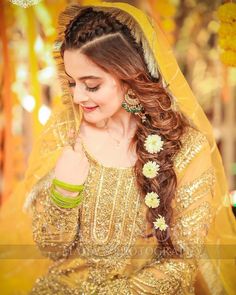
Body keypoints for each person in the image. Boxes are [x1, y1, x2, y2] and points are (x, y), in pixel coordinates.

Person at [0, 1, 235, 295]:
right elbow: (51, 247)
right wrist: (65, 188)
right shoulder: (67, 132)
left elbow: (181, 265)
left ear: (130, 76)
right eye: (73, 83)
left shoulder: (186, 148)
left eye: (92, 85)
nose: (77, 97)